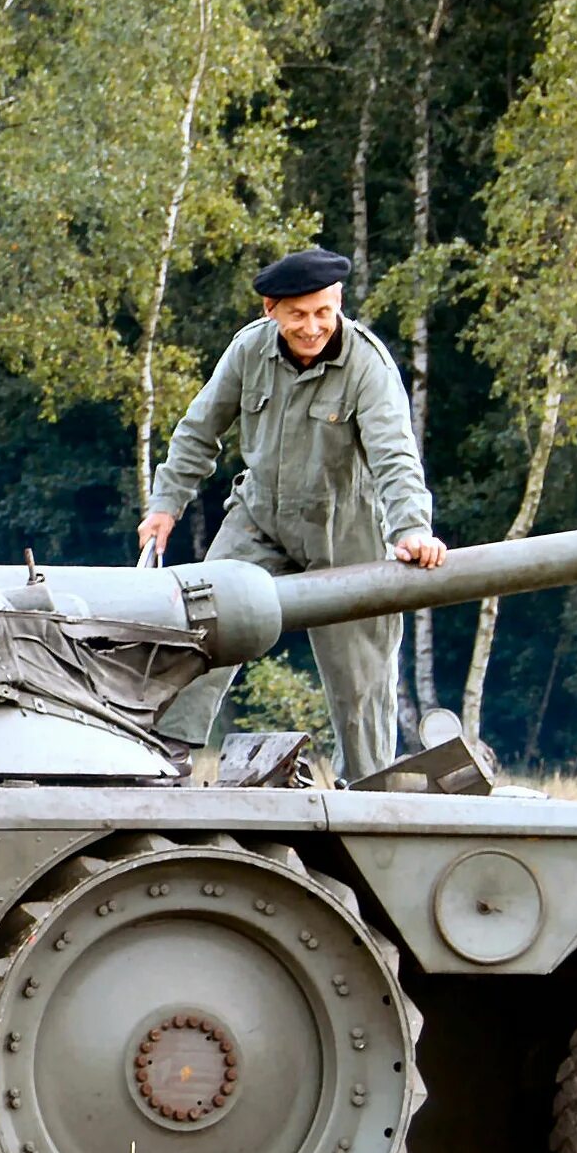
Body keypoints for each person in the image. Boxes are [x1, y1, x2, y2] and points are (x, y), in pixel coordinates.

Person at [138, 245, 448, 781]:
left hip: (345, 529)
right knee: (204, 626)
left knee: (361, 676)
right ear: (270, 310)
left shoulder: (367, 365)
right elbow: (199, 429)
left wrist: (412, 529)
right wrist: (167, 503)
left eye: (323, 312)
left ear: (339, 303)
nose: (312, 327)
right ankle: (164, 761)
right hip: (258, 516)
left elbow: (395, 455)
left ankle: (367, 790)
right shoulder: (247, 352)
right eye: (297, 314)